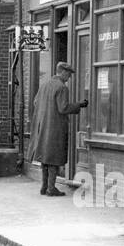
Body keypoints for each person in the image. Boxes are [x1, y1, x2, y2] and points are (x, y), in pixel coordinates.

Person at [27, 61, 88, 196]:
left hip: (43, 126)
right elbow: (63, 108)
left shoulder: (44, 85)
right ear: (63, 72)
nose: (69, 77)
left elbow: (35, 102)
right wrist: (79, 105)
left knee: (45, 158)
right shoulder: (62, 87)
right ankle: (51, 188)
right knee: (53, 158)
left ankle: (44, 187)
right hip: (55, 128)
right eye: (69, 74)